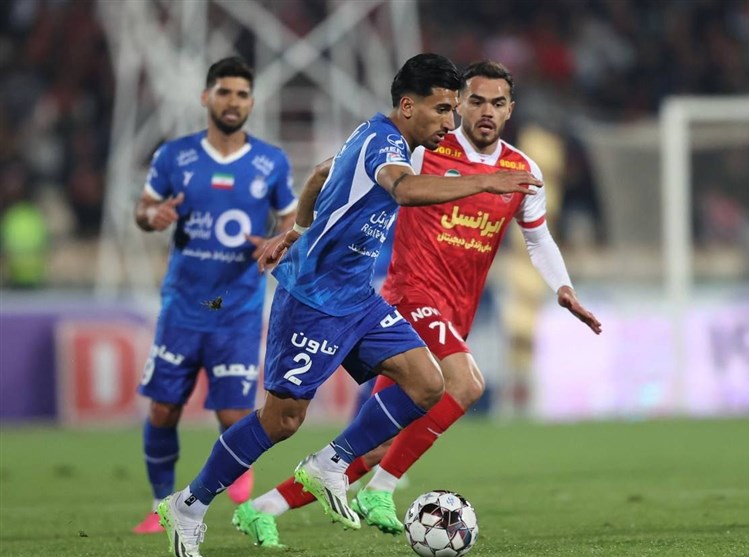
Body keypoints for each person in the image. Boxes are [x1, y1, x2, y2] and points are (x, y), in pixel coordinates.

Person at [156, 53, 541, 557]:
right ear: (409, 106)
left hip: (356, 297)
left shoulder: (388, 138)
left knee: (429, 383)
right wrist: (485, 180)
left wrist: (297, 231)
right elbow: (404, 190)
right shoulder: (386, 144)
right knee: (281, 420)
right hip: (312, 299)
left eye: (453, 110)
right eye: (443, 110)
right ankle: (188, 506)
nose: (451, 123)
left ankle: (329, 463)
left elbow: (320, 175)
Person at [229, 60, 603, 548]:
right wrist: (298, 231)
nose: (485, 112)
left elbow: (537, 238)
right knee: (466, 383)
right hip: (409, 296)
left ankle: (263, 508)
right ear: (460, 103)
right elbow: (329, 172)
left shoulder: (522, 171)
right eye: (475, 101)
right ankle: (380, 491)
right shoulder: (424, 149)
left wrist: (562, 286)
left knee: (380, 441)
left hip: (457, 311)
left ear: (510, 109)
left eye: (497, 103)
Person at [132, 56, 297, 534]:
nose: (233, 101)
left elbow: (290, 217)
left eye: (242, 94)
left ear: (251, 102)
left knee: (233, 413)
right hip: (183, 307)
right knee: (163, 409)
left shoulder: (270, 161)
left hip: (236, 308)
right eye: (224, 92)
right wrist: (153, 216)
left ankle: (231, 484)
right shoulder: (174, 156)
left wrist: (279, 240)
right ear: (207, 97)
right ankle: (160, 504)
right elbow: (144, 209)